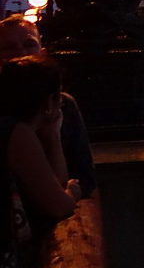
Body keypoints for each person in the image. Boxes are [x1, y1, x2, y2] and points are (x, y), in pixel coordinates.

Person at [0, 55, 82, 265]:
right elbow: (58, 205)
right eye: (58, 98)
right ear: (49, 101)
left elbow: (54, 183)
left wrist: (53, 135)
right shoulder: (15, 133)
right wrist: (72, 192)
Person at [0, 17, 94, 197]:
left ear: (42, 53)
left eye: (29, 44)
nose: (21, 52)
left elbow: (85, 176)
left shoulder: (64, 104)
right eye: (9, 47)